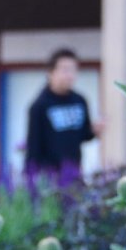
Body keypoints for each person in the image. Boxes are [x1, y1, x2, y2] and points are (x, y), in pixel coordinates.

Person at [24, 48, 101, 191]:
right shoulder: (40, 105)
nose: (70, 75)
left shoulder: (80, 100)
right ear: (50, 72)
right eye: (65, 70)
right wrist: (31, 180)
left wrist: (95, 130)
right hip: (49, 179)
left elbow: (84, 135)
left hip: (75, 174)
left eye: (73, 70)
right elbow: (33, 146)